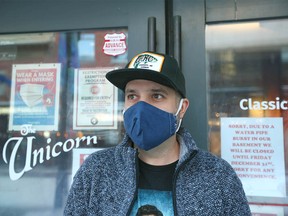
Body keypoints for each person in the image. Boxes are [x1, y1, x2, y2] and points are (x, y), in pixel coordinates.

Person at [64, 51, 251, 215]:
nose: (141, 107)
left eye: (157, 95)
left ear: (182, 108)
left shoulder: (218, 175)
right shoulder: (96, 170)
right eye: (132, 96)